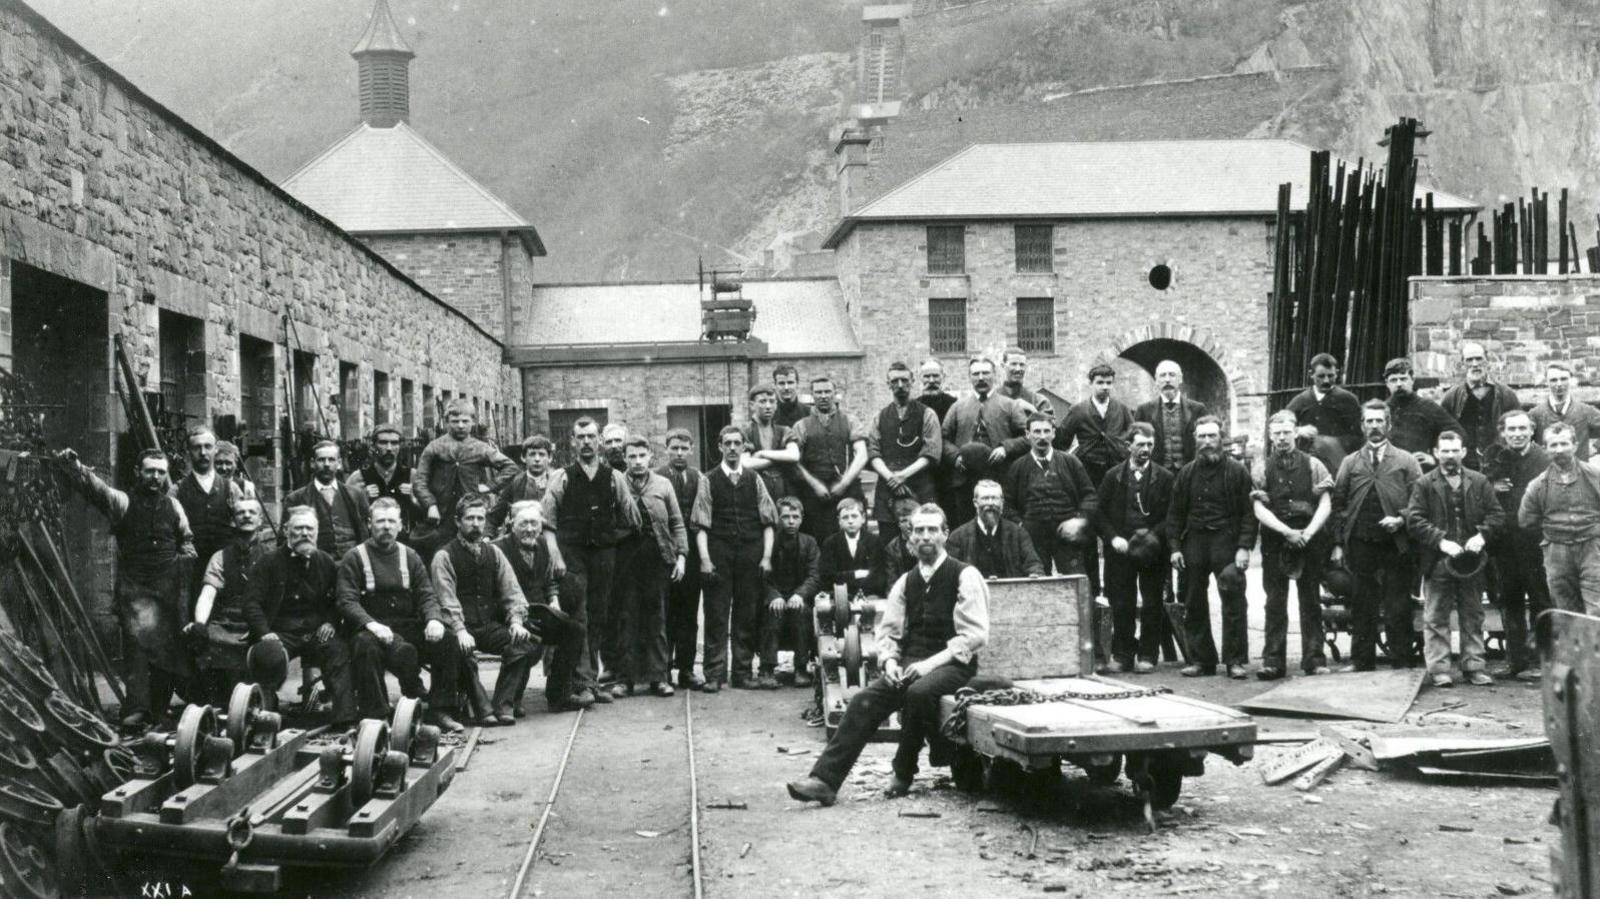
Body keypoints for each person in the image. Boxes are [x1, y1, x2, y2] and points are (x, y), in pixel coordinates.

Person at [787, 503, 989, 805]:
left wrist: (928, 665)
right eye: (918, 530)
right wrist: (891, 661)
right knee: (863, 700)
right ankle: (824, 781)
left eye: (932, 530)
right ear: (909, 538)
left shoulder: (965, 575)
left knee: (918, 693)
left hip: (953, 665)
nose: (925, 537)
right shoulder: (905, 582)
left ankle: (903, 772)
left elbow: (974, 636)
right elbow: (889, 633)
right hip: (910, 665)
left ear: (945, 535)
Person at [57, 447, 195, 729]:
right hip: (135, 590)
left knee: (166, 651)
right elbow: (98, 491)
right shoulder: (124, 502)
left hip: (167, 588)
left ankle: (157, 709)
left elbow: (187, 539)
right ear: (138, 472)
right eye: (149, 471)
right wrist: (76, 467)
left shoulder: (174, 507)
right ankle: (136, 710)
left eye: (160, 472)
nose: (155, 477)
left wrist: (184, 560)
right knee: (138, 649)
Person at [336, 498, 464, 732]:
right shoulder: (354, 557)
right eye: (380, 521)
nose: (386, 526)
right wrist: (371, 625)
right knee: (365, 648)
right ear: (369, 524)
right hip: (371, 629)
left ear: (401, 525)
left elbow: (426, 594)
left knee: (447, 640)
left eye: (391, 521)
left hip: (406, 625)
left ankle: (441, 709)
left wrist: (434, 619)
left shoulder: (410, 556)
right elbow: (347, 600)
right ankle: (377, 716)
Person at [540, 416, 642, 703]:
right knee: (579, 614)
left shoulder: (615, 478)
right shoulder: (561, 477)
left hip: (604, 556)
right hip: (572, 555)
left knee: (599, 614)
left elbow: (632, 518)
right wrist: (556, 555)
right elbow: (547, 522)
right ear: (572, 441)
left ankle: (591, 682)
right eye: (580, 437)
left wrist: (609, 537)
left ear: (599, 440)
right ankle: (581, 683)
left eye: (591, 437)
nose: (586, 442)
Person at [1404, 431, 1504, 688]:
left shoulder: (1480, 481)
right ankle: (1439, 670)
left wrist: (1482, 536)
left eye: (1454, 450)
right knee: (1436, 617)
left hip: (1472, 563)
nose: (1450, 456)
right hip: (1438, 562)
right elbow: (1414, 520)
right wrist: (1441, 541)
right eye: (1445, 451)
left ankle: (1474, 666)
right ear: (1436, 453)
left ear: (1464, 452)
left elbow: (1496, 516)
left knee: (1473, 615)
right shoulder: (1424, 484)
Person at [241, 506, 356, 726]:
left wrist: (330, 622)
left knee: (339, 651)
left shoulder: (325, 562)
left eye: (310, 529)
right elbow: (251, 603)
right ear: (286, 530)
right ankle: (265, 715)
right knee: (269, 655)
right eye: (299, 528)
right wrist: (264, 633)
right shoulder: (268, 562)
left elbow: (338, 600)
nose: (305, 533)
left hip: (316, 632)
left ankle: (345, 720)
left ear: (317, 531)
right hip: (279, 632)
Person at [1330, 400, 1424, 671]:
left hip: (1397, 545)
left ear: (1389, 425)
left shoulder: (1406, 460)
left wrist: (1401, 519)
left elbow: (1420, 501)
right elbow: (1339, 504)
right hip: (1361, 543)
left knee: (1398, 603)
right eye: (1369, 421)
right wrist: (1338, 543)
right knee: (1362, 603)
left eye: (1379, 421)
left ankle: (1402, 661)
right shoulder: (1350, 462)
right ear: (1362, 426)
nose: (1374, 426)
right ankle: (1362, 661)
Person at [431, 495, 538, 726]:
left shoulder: (494, 553)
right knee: (461, 652)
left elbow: (512, 592)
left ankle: (503, 705)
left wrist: (516, 621)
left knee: (523, 644)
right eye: (470, 518)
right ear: (458, 521)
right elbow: (445, 599)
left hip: (487, 625)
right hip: (460, 626)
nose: (476, 523)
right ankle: (483, 710)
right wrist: (459, 630)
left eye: (480, 518)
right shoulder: (444, 556)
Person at [1167, 416, 1257, 679]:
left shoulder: (1237, 471)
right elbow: (1174, 515)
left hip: (1226, 541)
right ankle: (1201, 660)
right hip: (1194, 540)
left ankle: (1235, 661)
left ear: (1221, 439)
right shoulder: (1186, 473)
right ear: (1195, 440)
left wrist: (1244, 548)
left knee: (1233, 595)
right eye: (1202, 437)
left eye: (1212, 436)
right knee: (1193, 599)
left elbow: (1249, 514)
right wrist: (1175, 547)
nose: (1207, 442)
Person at [692, 426, 778, 693]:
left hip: (750, 555)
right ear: (719, 446)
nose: (732, 448)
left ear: (744, 447)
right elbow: (700, 524)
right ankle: (714, 674)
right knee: (716, 614)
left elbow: (768, 521)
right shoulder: (708, 479)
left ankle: (742, 672)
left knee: (746, 613)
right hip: (719, 554)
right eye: (727, 443)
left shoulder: (754, 479)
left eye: (737, 443)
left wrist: (766, 557)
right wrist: (705, 559)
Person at [1251, 410, 1335, 680]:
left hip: (1309, 541)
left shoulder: (1314, 465)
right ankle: (1273, 661)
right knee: (1275, 601)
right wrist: (1286, 531)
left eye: (1287, 432)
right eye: (1277, 433)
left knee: (1310, 600)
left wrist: (1308, 533)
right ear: (1270, 435)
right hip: (1276, 541)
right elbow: (1258, 508)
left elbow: (1325, 503)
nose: (1282, 438)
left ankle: (1314, 659)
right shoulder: (1262, 468)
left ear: (1295, 433)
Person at [493, 501, 591, 713]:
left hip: (538, 610)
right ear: (511, 524)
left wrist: (554, 600)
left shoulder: (543, 545)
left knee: (574, 631)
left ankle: (559, 695)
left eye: (534, 524)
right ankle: (512, 699)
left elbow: (549, 581)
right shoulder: (497, 549)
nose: (529, 529)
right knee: (530, 642)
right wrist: (514, 616)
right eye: (524, 523)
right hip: (508, 614)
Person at [613, 438, 688, 697]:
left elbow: (677, 523)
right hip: (626, 561)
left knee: (658, 618)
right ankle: (625, 679)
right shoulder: (615, 483)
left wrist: (681, 557)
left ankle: (659, 677)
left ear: (650, 458)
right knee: (627, 617)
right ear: (624, 458)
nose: (637, 461)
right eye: (631, 456)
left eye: (641, 456)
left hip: (658, 559)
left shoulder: (663, 484)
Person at [1097, 423, 1173, 673]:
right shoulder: (1113, 476)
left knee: (1152, 602)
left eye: (1150, 445)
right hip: (1121, 550)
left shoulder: (1164, 477)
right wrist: (1113, 538)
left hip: (1153, 551)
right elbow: (1099, 513)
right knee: (1122, 602)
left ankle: (1148, 655)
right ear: (1128, 445)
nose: (1145, 450)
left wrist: (1153, 536)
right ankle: (1123, 654)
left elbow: (1172, 515)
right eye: (1140, 444)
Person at [187, 497, 274, 704]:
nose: (246, 516)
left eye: (252, 512)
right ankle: (217, 701)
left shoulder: (272, 556)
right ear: (233, 521)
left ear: (260, 519)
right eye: (240, 513)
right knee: (205, 639)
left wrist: (263, 626)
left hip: (259, 622)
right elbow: (208, 593)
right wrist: (199, 623)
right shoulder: (220, 557)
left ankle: (262, 698)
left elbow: (278, 597)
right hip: (227, 622)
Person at [1487, 410, 1551, 681]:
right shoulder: (1496, 459)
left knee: (1540, 599)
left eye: (1522, 429)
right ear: (1503, 432)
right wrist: (1492, 486)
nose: (1517, 434)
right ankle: (1515, 661)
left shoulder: (1545, 459)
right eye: (1511, 430)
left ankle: (1541, 662)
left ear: (1532, 429)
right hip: (1505, 544)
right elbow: (1480, 492)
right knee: (1509, 598)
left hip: (1537, 543)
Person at [1519, 421, 1600, 616]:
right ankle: (1575, 648)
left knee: (1596, 609)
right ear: (1545, 449)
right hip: (1557, 551)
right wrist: (1553, 534)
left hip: (1592, 549)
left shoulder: (1595, 476)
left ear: (1575, 445)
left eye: (1564, 444)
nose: (1559, 449)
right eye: (1553, 445)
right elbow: (1526, 520)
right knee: (1566, 611)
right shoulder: (1538, 485)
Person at [1003, 412, 1099, 577]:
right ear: (1027, 435)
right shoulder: (1018, 467)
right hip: (1033, 538)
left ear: (1054, 433)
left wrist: (1079, 520)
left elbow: (1090, 496)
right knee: (1037, 583)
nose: (1042, 437)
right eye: (1037, 431)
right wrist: (1020, 526)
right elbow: (1007, 504)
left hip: (1068, 536)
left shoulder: (1070, 462)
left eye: (1047, 431)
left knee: (1076, 582)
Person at [413, 398, 518, 546]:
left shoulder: (480, 448)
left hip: (470, 513)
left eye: (465, 421)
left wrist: (490, 486)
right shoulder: (434, 447)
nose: (460, 426)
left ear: (473, 421)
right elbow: (420, 481)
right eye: (455, 421)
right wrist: (430, 505)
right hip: (440, 515)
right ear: (446, 421)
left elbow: (511, 467)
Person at [942, 357, 1030, 526]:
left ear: (995, 375)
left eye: (985, 373)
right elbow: (944, 438)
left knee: (1001, 525)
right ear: (969, 377)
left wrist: (1006, 448)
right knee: (966, 527)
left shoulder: (1010, 406)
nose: (981, 377)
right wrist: (955, 457)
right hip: (964, 479)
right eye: (976, 373)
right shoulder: (957, 407)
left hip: (1000, 476)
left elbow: (1028, 436)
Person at [785, 375, 869, 543]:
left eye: (827, 391)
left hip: (846, 486)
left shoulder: (850, 421)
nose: (823, 396)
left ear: (835, 393)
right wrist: (814, 484)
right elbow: (794, 462)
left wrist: (844, 483)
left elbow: (862, 454)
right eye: (818, 392)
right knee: (816, 537)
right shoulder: (801, 425)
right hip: (813, 492)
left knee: (853, 534)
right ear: (812, 395)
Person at [658, 429, 708, 690]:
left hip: (692, 553)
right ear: (666, 449)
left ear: (691, 449)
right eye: (674, 448)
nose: (679, 453)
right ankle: (663, 669)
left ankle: (686, 669)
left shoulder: (699, 478)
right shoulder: (657, 477)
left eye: (684, 448)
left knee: (689, 613)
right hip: (665, 554)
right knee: (665, 613)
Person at [868, 361, 942, 531]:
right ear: (888, 384)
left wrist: (904, 475)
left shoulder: (927, 414)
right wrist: (891, 477)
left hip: (920, 484)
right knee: (888, 539)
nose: (900, 385)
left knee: (924, 532)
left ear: (912, 381)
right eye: (894, 381)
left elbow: (932, 451)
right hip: (888, 487)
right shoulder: (879, 417)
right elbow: (873, 452)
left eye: (904, 380)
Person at [172, 425, 241, 602]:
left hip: (224, 573)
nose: (203, 452)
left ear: (215, 450)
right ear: (188, 452)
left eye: (208, 447)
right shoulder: (177, 491)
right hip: (190, 575)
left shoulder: (230, 489)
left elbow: (245, 528)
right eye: (197, 447)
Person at [1439, 342, 1521, 472]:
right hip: (1464, 466)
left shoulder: (1506, 394)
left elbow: (1519, 428)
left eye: (1479, 358)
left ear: (1487, 361)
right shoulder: (1451, 397)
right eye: (1469, 360)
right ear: (1462, 364)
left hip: (1499, 465)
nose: (1475, 364)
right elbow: (1442, 432)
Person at [766, 497, 822, 689]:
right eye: (785, 517)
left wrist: (800, 594)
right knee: (771, 613)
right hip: (775, 595)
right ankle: (766, 668)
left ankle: (801, 667)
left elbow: (814, 575)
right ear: (778, 518)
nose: (790, 521)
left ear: (801, 518)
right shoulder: (769, 541)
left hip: (798, 597)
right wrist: (774, 595)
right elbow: (760, 575)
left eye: (795, 517)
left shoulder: (809, 542)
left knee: (802, 613)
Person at [284, 441, 370, 559]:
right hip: (315, 567)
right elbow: (285, 540)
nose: (326, 464)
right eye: (321, 460)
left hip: (350, 565)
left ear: (339, 463)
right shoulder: (296, 498)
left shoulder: (356, 495)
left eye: (331, 460)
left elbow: (366, 533)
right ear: (312, 463)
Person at [946, 480, 1046, 578]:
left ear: (1002, 502)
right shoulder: (958, 537)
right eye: (985, 498)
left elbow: (1033, 564)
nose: (990, 503)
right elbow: (949, 573)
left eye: (994, 498)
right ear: (975, 503)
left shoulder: (1018, 534)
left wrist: (1035, 575)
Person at [1285, 353, 1363, 469]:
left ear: (1337, 373)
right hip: (1307, 464)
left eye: (1330, 376)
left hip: (1338, 463)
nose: (1326, 381)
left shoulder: (1348, 400)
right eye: (1321, 376)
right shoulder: (1301, 400)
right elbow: (1281, 424)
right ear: (1311, 374)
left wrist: (1328, 442)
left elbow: (1359, 436)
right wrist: (1298, 430)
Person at [1384, 357, 1463, 461]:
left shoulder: (1428, 407)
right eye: (1393, 380)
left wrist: (1435, 457)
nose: (1399, 384)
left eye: (1403, 379)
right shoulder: (1382, 410)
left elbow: (1458, 434)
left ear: (1412, 380)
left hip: (1420, 469)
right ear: (1387, 383)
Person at [347, 424, 418, 540]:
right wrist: (361, 498)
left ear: (399, 447)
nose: (389, 448)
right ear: (374, 446)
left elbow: (427, 514)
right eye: (383, 442)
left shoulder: (412, 476)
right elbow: (346, 516)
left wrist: (414, 499)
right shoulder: (358, 478)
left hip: (405, 543)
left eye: (394, 443)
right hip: (369, 543)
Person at [1135, 360, 1209, 472]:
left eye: (1172, 375)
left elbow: (1206, 442)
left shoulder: (1198, 409)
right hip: (1156, 474)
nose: (1167, 379)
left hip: (1190, 472)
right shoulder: (1144, 410)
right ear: (1156, 381)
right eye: (1162, 375)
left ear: (1180, 379)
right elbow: (1136, 444)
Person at [818, 498, 887, 599]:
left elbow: (877, 577)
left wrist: (844, 577)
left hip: (868, 594)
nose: (850, 521)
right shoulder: (830, 543)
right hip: (840, 595)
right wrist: (856, 574)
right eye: (845, 517)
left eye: (854, 516)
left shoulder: (874, 542)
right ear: (839, 521)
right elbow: (827, 577)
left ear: (863, 518)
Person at [1530, 363, 1600, 461]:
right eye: (1553, 380)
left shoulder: (1585, 411)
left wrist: (1596, 447)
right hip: (1547, 473)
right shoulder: (1535, 414)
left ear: (1572, 381)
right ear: (1546, 382)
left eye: (1563, 379)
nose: (1559, 384)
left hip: (1578, 472)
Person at [741, 385, 800, 503]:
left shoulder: (784, 430)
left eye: (772, 401)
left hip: (783, 489)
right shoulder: (745, 431)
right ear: (752, 405)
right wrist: (781, 459)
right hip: (755, 490)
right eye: (762, 401)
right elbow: (745, 463)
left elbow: (794, 455)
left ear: (776, 405)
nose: (768, 406)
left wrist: (762, 453)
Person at [489, 434, 554, 534]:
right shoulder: (515, 483)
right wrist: (487, 536)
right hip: (520, 537)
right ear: (523, 458)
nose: (537, 459)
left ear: (550, 458)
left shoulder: (556, 481)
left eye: (541, 454)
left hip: (549, 538)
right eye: (532, 454)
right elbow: (494, 517)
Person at [879, 496, 923, 589]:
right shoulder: (891, 548)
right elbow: (892, 581)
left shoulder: (928, 542)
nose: (908, 525)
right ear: (898, 524)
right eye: (904, 521)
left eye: (912, 520)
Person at [998, 347, 1054, 417]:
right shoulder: (991, 401)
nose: (1018, 369)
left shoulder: (1039, 402)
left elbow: (1050, 426)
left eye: (1022, 365)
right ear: (1003, 366)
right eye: (1013, 364)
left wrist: (1031, 409)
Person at [917, 359, 958, 423]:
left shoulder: (954, 405)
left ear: (943, 377)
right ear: (920, 378)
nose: (931, 381)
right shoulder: (914, 407)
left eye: (935, 376)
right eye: (927, 376)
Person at [772, 364, 811, 429]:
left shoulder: (809, 413)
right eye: (781, 383)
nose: (786, 388)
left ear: (797, 384)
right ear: (775, 385)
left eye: (790, 383)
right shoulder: (769, 414)